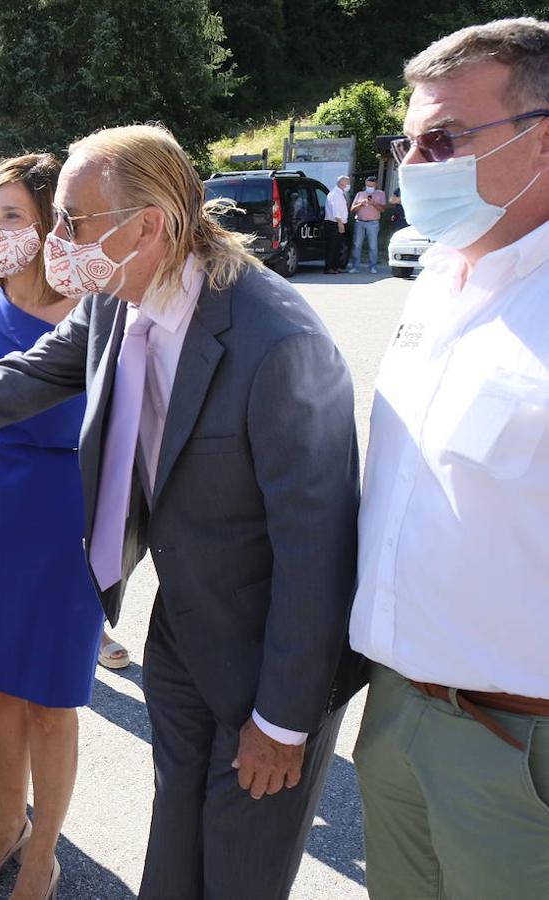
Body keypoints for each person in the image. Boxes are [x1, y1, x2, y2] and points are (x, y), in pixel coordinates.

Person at [0, 124, 366, 900]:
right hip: (180, 635)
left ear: (148, 224)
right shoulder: (121, 297)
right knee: (174, 848)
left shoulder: (277, 341)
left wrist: (285, 722)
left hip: (262, 655)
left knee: (241, 867)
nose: (58, 239)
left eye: (74, 220)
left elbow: (317, 549)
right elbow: (24, 375)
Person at [350, 18, 549, 899]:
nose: (416, 165)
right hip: (398, 712)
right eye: (409, 141)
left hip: (514, 745)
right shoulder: (440, 277)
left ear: (541, 137)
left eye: (445, 139)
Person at [0, 152, 98, 900]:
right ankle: (8, 827)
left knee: (52, 698)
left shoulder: (100, 310)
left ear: (51, 225)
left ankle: (46, 854)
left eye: (13, 215)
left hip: (67, 511)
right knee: (0, 687)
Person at [349, 175, 387, 272]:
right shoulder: (360, 194)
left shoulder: (380, 194)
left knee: (373, 246)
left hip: (373, 223)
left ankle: (373, 267)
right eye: (368, 185)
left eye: (371, 186)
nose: (369, 188)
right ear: (365, 184)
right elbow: (352, 209)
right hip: (360, 222)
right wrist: (360, 204)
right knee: (357, 245)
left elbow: (382, 209)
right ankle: (355, 267)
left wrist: (374, 203)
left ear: (375, 184)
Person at [324, 174, 351, 274]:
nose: (348, 185)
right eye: (347, 183)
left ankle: (336, 266)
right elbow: (336, 210)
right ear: (341, 183)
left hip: (340, 222)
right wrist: (340, 223)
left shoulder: (340, 193)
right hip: (334, 223)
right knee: (332, 246)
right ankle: (329, 267)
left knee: (339, 246)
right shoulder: (335, 194)